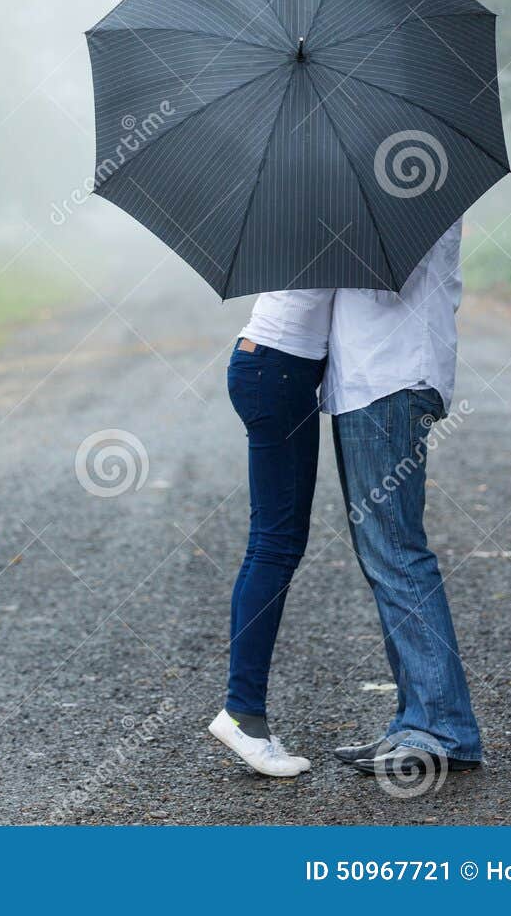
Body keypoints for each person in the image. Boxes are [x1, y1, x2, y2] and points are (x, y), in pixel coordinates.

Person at [322, 219, 482, 777]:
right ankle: (417, 719)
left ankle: (441, 728)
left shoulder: (403, 182)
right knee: (385, 556)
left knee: (396, 553)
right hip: (369, 378)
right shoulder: (379, 174)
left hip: (387, 379)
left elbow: (384, 273)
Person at [207, 288, 333, 777]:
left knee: (270, 544)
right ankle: (243, 713)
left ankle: (245, 712)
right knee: (276, 547)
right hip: (279, 369)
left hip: (273, 365)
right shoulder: (331, 213)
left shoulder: (309, 212)